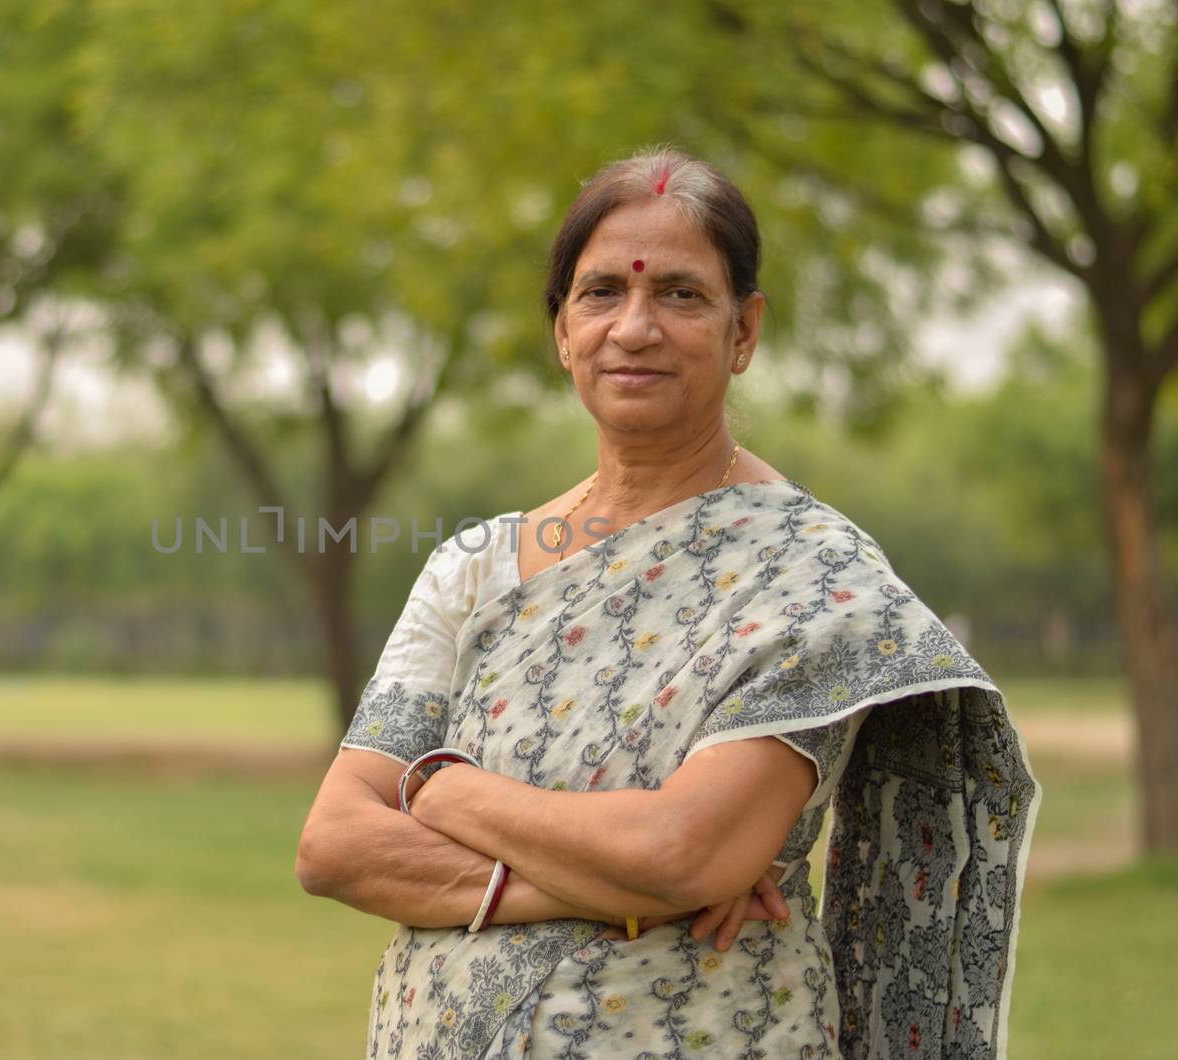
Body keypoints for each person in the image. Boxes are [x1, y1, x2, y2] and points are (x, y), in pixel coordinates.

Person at [295, 145, 1038, 1060]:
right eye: (602, 293)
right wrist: (624, 891)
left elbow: (683, 850)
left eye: (681, 294)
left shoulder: (815, 579)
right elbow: (334, 844)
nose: (635, 328)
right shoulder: (473, 568)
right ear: (562, 330)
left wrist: (441, 789)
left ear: (745, 330)